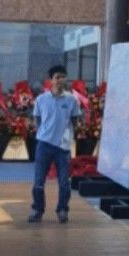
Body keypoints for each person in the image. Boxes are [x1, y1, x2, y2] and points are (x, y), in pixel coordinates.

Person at [28, 65, 82, 224]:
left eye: (63, 77)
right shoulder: (41, 99)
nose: (61, 80)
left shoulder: (72, 100)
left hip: (62, 147)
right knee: (39, 181)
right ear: (50, 80)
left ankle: (62, 210)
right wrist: (45, 133)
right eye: (57, 77)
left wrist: (67, 137)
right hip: (44, 145)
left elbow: (74, 121)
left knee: (64, 182)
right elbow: (37, 120)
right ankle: (37, 210)